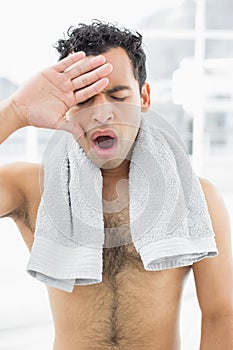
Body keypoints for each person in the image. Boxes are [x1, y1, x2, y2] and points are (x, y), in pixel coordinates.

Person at [0, 20, 232, 350]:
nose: (102, 114)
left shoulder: (197, 197)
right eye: (84, 99)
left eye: (118, 95)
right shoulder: (31, 188)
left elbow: (221, 316)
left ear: (144, 97)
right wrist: (16, 110)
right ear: (66, 107)